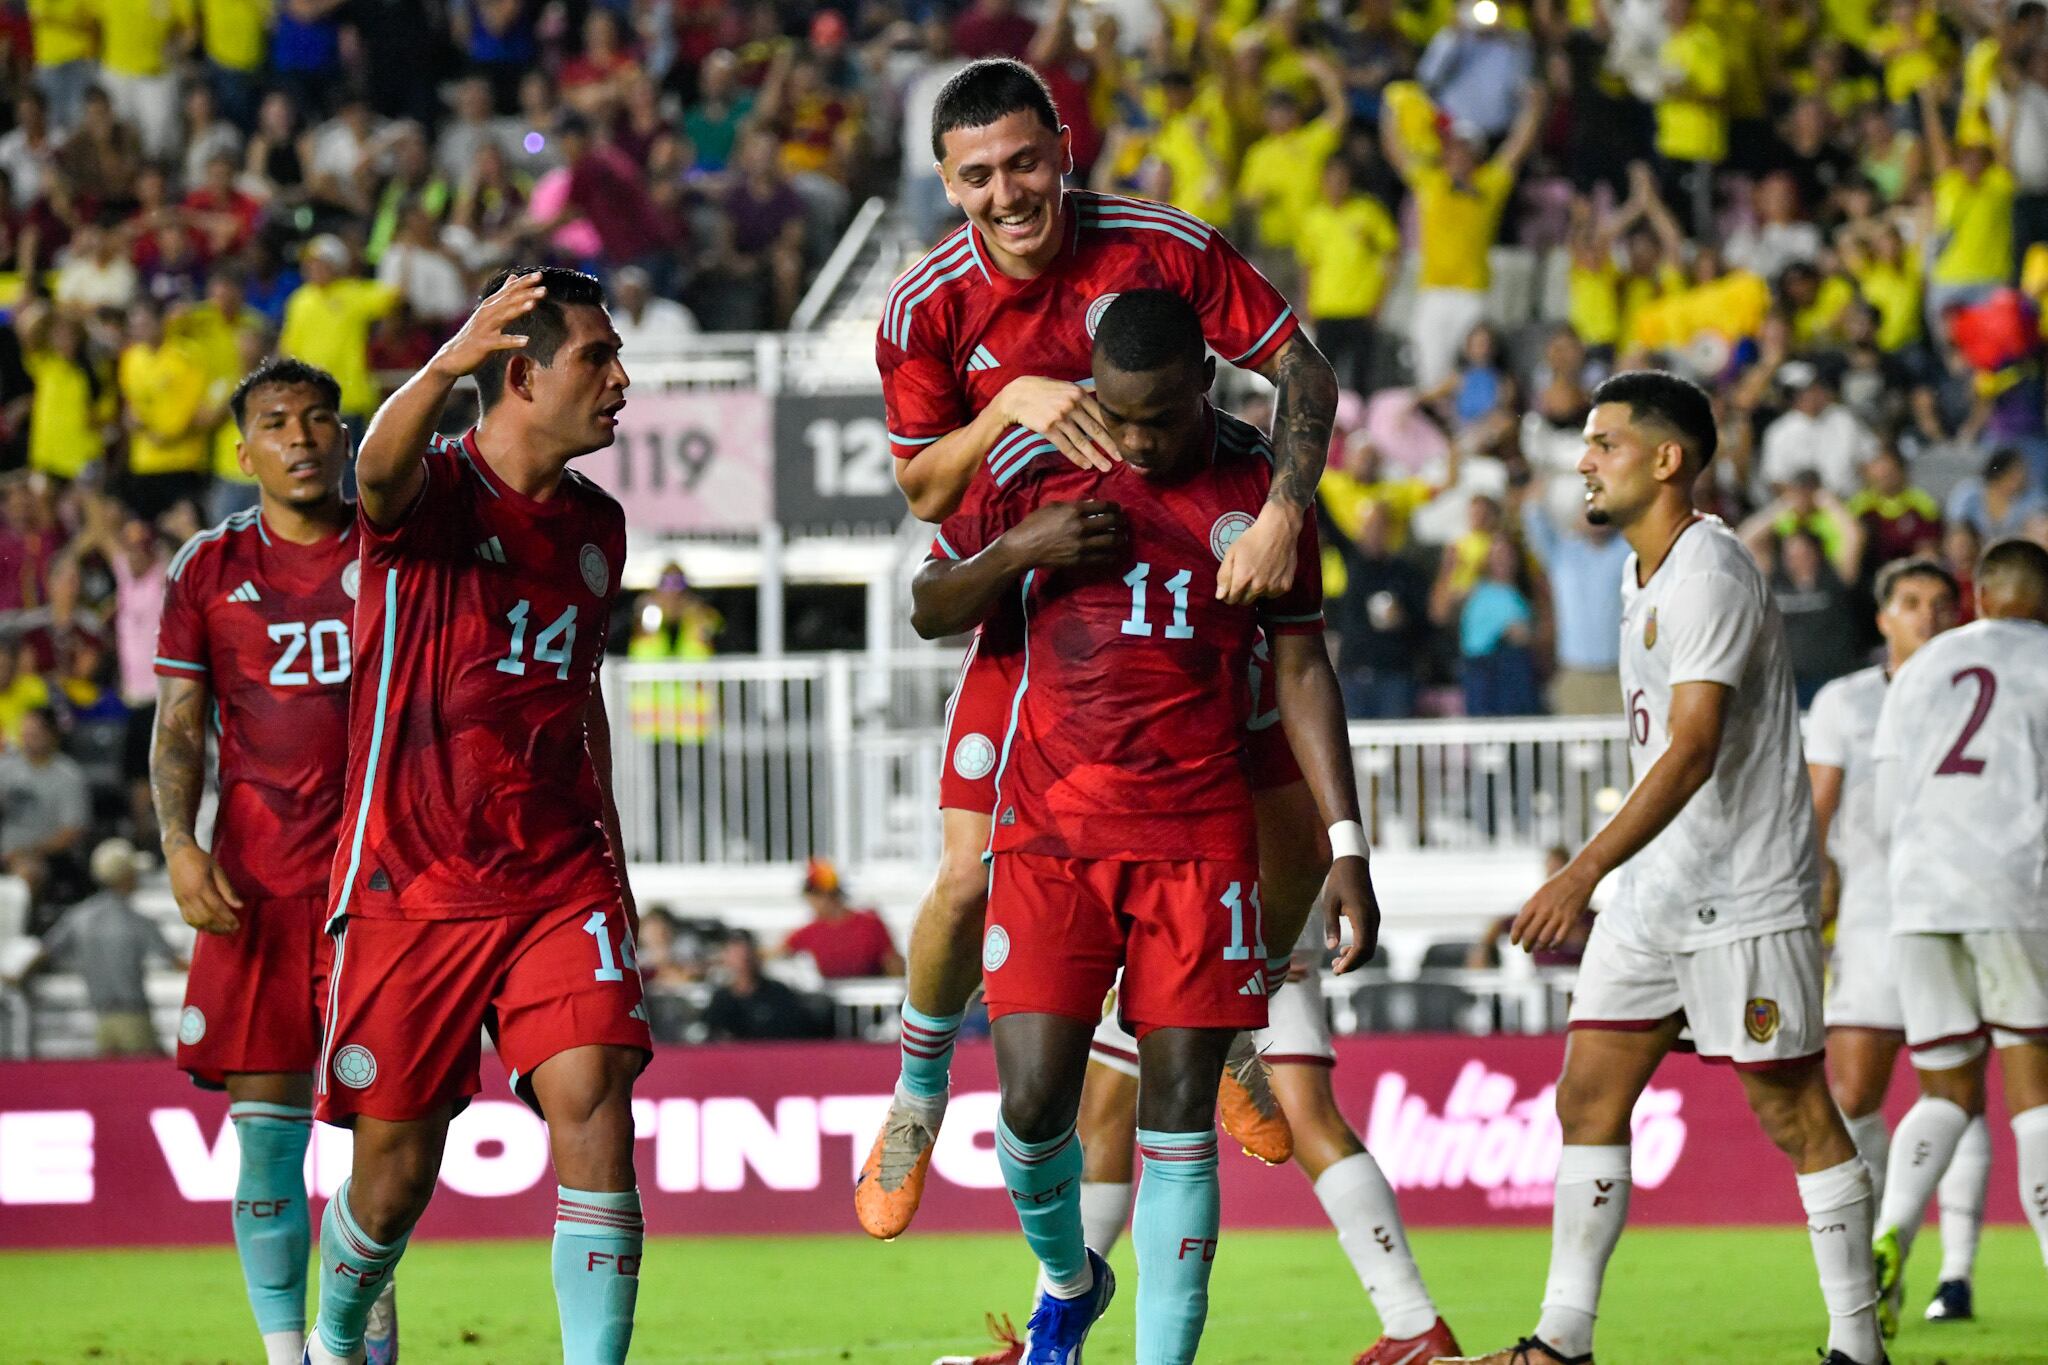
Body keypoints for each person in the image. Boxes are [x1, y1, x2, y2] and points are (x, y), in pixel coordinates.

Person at [859, 57, 1342, 1241]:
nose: (1006, 193)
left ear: (1061, 151)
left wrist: (1283, 512)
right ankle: (917, 1093)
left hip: (1189, 592)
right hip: (1040, 620)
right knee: (965, 879)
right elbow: (924, 492)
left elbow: (1301, 367)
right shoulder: (924, 307)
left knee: (1294, 843)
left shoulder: (1159, 248)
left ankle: (1224, 1026)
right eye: (977, 176)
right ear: (945, 184)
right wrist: (1004, 405)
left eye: (1023, 163)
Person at [910, 289, 1384, 1364]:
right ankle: (1070, 1282)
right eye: (1117, 416)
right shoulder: (1036, 458)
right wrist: (1017, 550)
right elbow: (929, 605)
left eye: (1158, 419)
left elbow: (1302, 667)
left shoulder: (1262, 487)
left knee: (1178, 1120)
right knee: (1032, 1110)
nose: (1133, 441)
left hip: (1198, 842)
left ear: (1204, 385)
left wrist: (1345, 846)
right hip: (1050, 838)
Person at [1448, 371, 1883, 1365]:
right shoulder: (1641, 572)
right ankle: (1561, 1340)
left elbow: (1690, 748)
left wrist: (1579, 874)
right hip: (1656, 893)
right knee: (1586, 1097)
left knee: (1792, 1109)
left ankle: (1858, 1346)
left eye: (1604, 443)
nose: (1583, 462)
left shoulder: (1708, 573)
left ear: (1666, 458)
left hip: (1741, 891)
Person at [303, 269, 646, 1365]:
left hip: (556, 876)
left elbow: (578, 697)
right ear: (522, 376)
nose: (621, 381)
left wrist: (617, 863)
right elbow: (373, 470)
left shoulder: (598, 528)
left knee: (595, 1093)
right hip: (412, 880)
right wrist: (447, 362)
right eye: (597, 357)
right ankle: (338, 1331)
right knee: (394, 1178)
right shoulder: (437, 490)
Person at [150, 357, 396, 1365]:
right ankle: (288, 1355)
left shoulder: (392, 545)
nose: (300, 436)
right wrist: (178, 843)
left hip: (387, 891)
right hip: (259, 886)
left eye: (319, 418)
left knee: (392, 1144)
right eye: (277, 421)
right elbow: (179, 723)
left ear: (345, 436)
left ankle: (358, 1307)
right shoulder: (207, 569)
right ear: (243, 450)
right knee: (267, 1139)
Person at [1804, 557, 1991, 1329]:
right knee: (1854, 1093)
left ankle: (1955, 1272)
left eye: (1941, 602)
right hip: (1875, 914)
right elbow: (1817, 807)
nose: (1927, 614)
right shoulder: (1845, 700)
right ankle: (1876, 1260)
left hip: (1963, 906)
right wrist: (1811, 891)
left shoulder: (1975, 689)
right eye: (1910, 601)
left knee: (1961, 1093)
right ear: (1882, 617)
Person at [1867, 538, 2048, 1333]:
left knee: (1946, 1089)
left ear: (1979, 594)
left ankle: (1889, 1234)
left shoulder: (1921, 668)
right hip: (2015, 887)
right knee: (2035, 1091)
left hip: (1918, 893)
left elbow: (1885, 805)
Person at [22, 839, 184, 1057]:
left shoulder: (79, 916)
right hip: (134, 1017)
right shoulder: (137, 921)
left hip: (100, 1019)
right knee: (147, 1074)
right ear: (126, 877)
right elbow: (175, 962)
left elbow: (44, 952)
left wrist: (16, 977)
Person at [779, 858, 904, 979]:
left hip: (870, 990)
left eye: (814, 898)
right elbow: (778, 953)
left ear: (828, 896)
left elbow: (894, 965)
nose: (812, 905)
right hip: (829, 992)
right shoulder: (807, 931)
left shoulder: (870, 923)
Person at [703, 933, 830, 1041]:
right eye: (736, 955)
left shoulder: (778, 993)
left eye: (746, 955)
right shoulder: (721, 999)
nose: (743, 960)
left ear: (757, 957)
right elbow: (714, 1036)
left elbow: (794, 1032)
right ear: (726, 959)